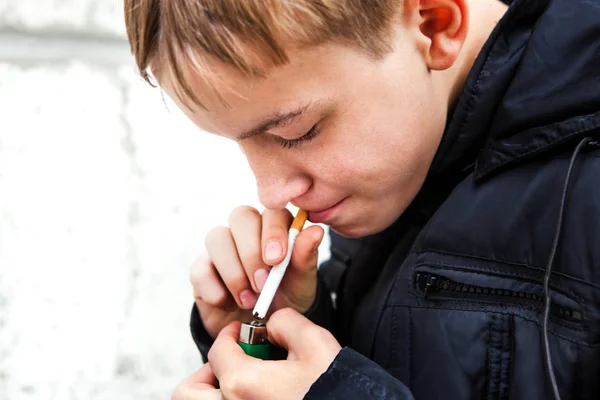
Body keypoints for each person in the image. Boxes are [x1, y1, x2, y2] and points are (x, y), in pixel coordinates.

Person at [124, 0, 600, 398]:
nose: (270, 192)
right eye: (241, 143)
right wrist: (288, 334)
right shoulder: (400, 171)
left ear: (435, 25)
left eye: (297, 132)